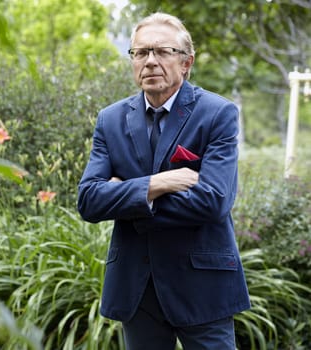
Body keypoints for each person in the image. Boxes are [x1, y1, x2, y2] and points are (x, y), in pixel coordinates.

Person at [77, 12, 250, 350]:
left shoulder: (218, 114)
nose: (150, 61)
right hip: (136, 288)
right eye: (140, 53)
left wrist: (125, 195)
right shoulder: (110, 120)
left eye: (162, 51)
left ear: (186, 62)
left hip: (203, 284)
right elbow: (89, 201)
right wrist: (156, 184)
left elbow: (213, 201)